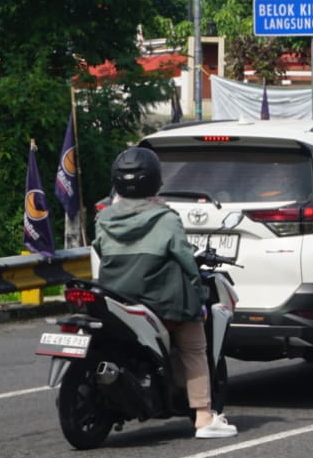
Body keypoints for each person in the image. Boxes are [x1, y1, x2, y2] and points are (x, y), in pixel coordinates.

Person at [91, 146, 236, 439]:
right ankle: (204, 417)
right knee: (194, 344)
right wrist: (197, 290)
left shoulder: (104, 217)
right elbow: (185, 259)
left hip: (115, 297)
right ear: (155, 180)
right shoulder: (166, 218)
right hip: (160, 301)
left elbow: (98, 247)